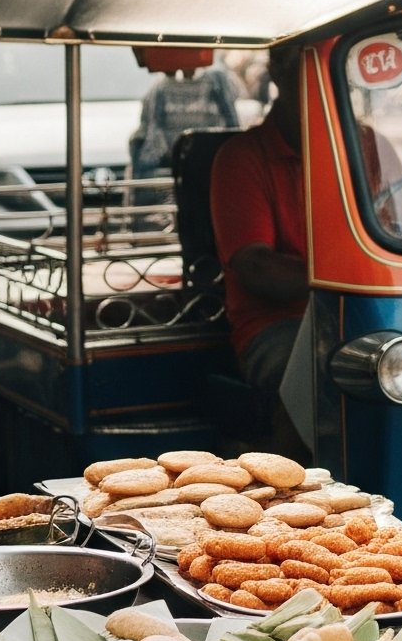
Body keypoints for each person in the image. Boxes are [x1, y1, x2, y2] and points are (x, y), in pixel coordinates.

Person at [208, 42, 311, 395]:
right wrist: (345, 279)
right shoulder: (241, 159)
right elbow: (257, 268)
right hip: (280, 325)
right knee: (322, 378)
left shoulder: (369, 147)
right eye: (312, 63)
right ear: (281, 70)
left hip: (372, 317)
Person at [128, 52, 240, 184]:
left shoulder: (217, 82)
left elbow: (232, 129)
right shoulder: (159, 89)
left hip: (204, 169)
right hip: (187, 170)